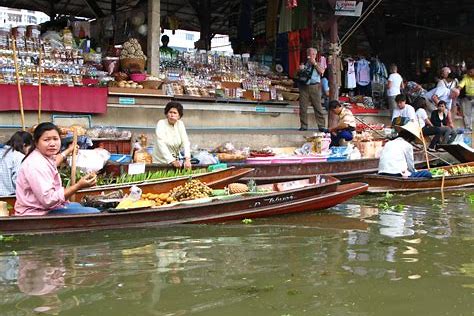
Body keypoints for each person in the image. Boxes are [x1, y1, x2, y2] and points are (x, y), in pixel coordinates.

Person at [15, 122, 99, 216]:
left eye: (55, 139)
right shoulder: (36, 164)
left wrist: (69, 150)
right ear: (36, 142)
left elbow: (54, 162)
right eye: (46, 140)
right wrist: (78, 186)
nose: (52, 144)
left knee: (77, 205)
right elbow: (48, 200)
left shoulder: (42, 156)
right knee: (94, 212)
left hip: (46, 207)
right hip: (36, 213)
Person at [152, 101, 191, 169]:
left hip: (175, 160)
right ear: (167, 114)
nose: (172, 115)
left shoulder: (180, 124)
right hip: (160, 161)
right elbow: (161, 143)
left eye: (175, 113)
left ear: (179, 116)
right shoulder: (161, 123)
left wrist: (187, 159)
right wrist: (172, 161)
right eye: (170, 112)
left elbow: (185, 142)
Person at [298, 47, 326, 131]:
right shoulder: (304, 63)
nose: (311, 55)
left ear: (316, 55)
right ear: (307, 55)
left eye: (313, 54)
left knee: (318, 107)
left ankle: (321, 126)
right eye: (310, 53)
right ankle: (304, 126)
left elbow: (321, 72)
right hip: (304, 87)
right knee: (303, 107)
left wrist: (315, 64)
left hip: (315, 86)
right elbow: (297, 74)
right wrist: (300, 69)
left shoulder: (319, 63)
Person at [0, 131, 33, 196]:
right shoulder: (19, 157)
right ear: (24, 145)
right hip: (10, 198)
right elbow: (19, 182)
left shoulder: (1, 151)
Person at [457, 65, 474, 131]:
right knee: (467, 113)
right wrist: (457, 90)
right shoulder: (466, 77)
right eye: (469, 72)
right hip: (468, 98)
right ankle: (468, 128)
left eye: (471, 72)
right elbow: (460, 85)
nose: (469, 73)